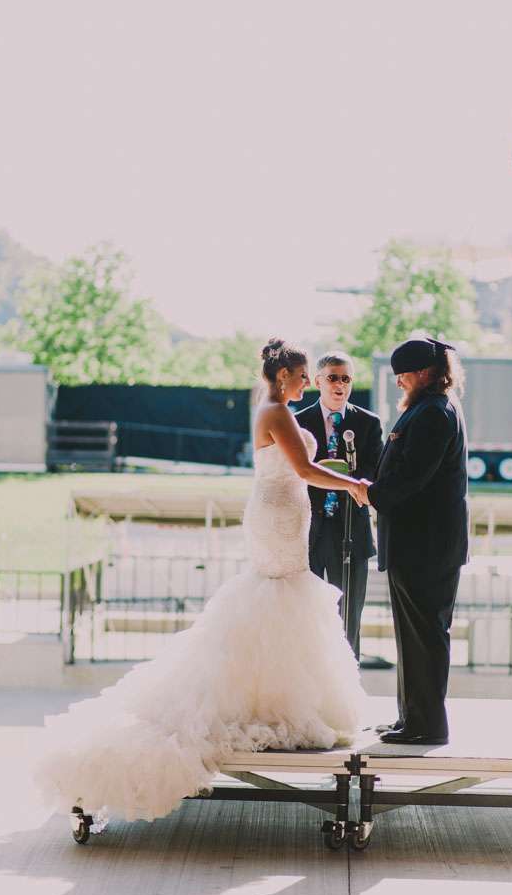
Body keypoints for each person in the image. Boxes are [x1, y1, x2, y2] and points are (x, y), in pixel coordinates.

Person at [35, 339, 369, 823]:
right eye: (301, 376)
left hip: (283, 512)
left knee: (280, 598)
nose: (306, 383)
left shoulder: (273, 409)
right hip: (277, 516)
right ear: (284, 377)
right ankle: (272, 699)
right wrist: (353, 484)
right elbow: (302, 468)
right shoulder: (276, 411)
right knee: (281, 594)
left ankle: (274, 693)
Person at [366, 338, 469, 746]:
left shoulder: (433, 413)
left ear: (424, 373)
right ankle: (411, 717)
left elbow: (411, 477)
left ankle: (426, 724)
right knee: (412, 637)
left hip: (425, 546)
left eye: (403, 375)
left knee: (423, 636)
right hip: (420, 545)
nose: (399, 382)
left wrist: (370, 493)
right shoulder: (430, 408)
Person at [295, 352, 383, 659]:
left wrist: (348, 476)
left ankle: (346, 681)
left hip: (351, 531)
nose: (340, 385)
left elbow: (374, 470)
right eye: (333, 377)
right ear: (318, 381)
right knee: (304, 617)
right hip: (308, 532)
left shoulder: (368, 423)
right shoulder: (298, 422)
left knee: (349, 620)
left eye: (346, 379)